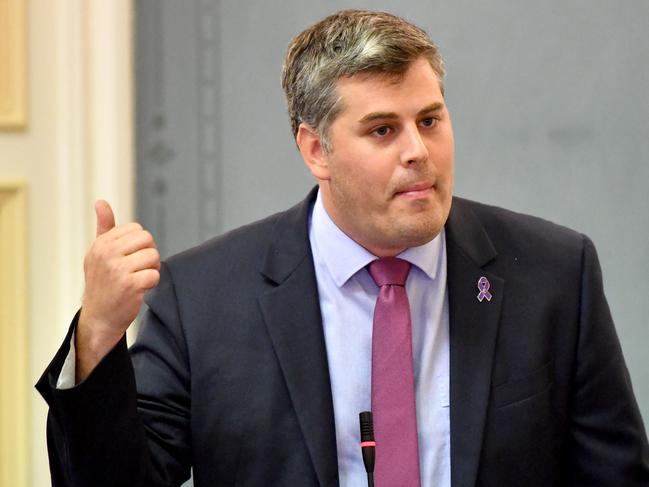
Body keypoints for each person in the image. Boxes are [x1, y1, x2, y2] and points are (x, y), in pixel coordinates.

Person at [37, 9, 648, 487]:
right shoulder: (202, 299)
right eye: (383, 129)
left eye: (430, 120)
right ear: (315, 150)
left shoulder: (552, 274)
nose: (418, 151)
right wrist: (96, 335)